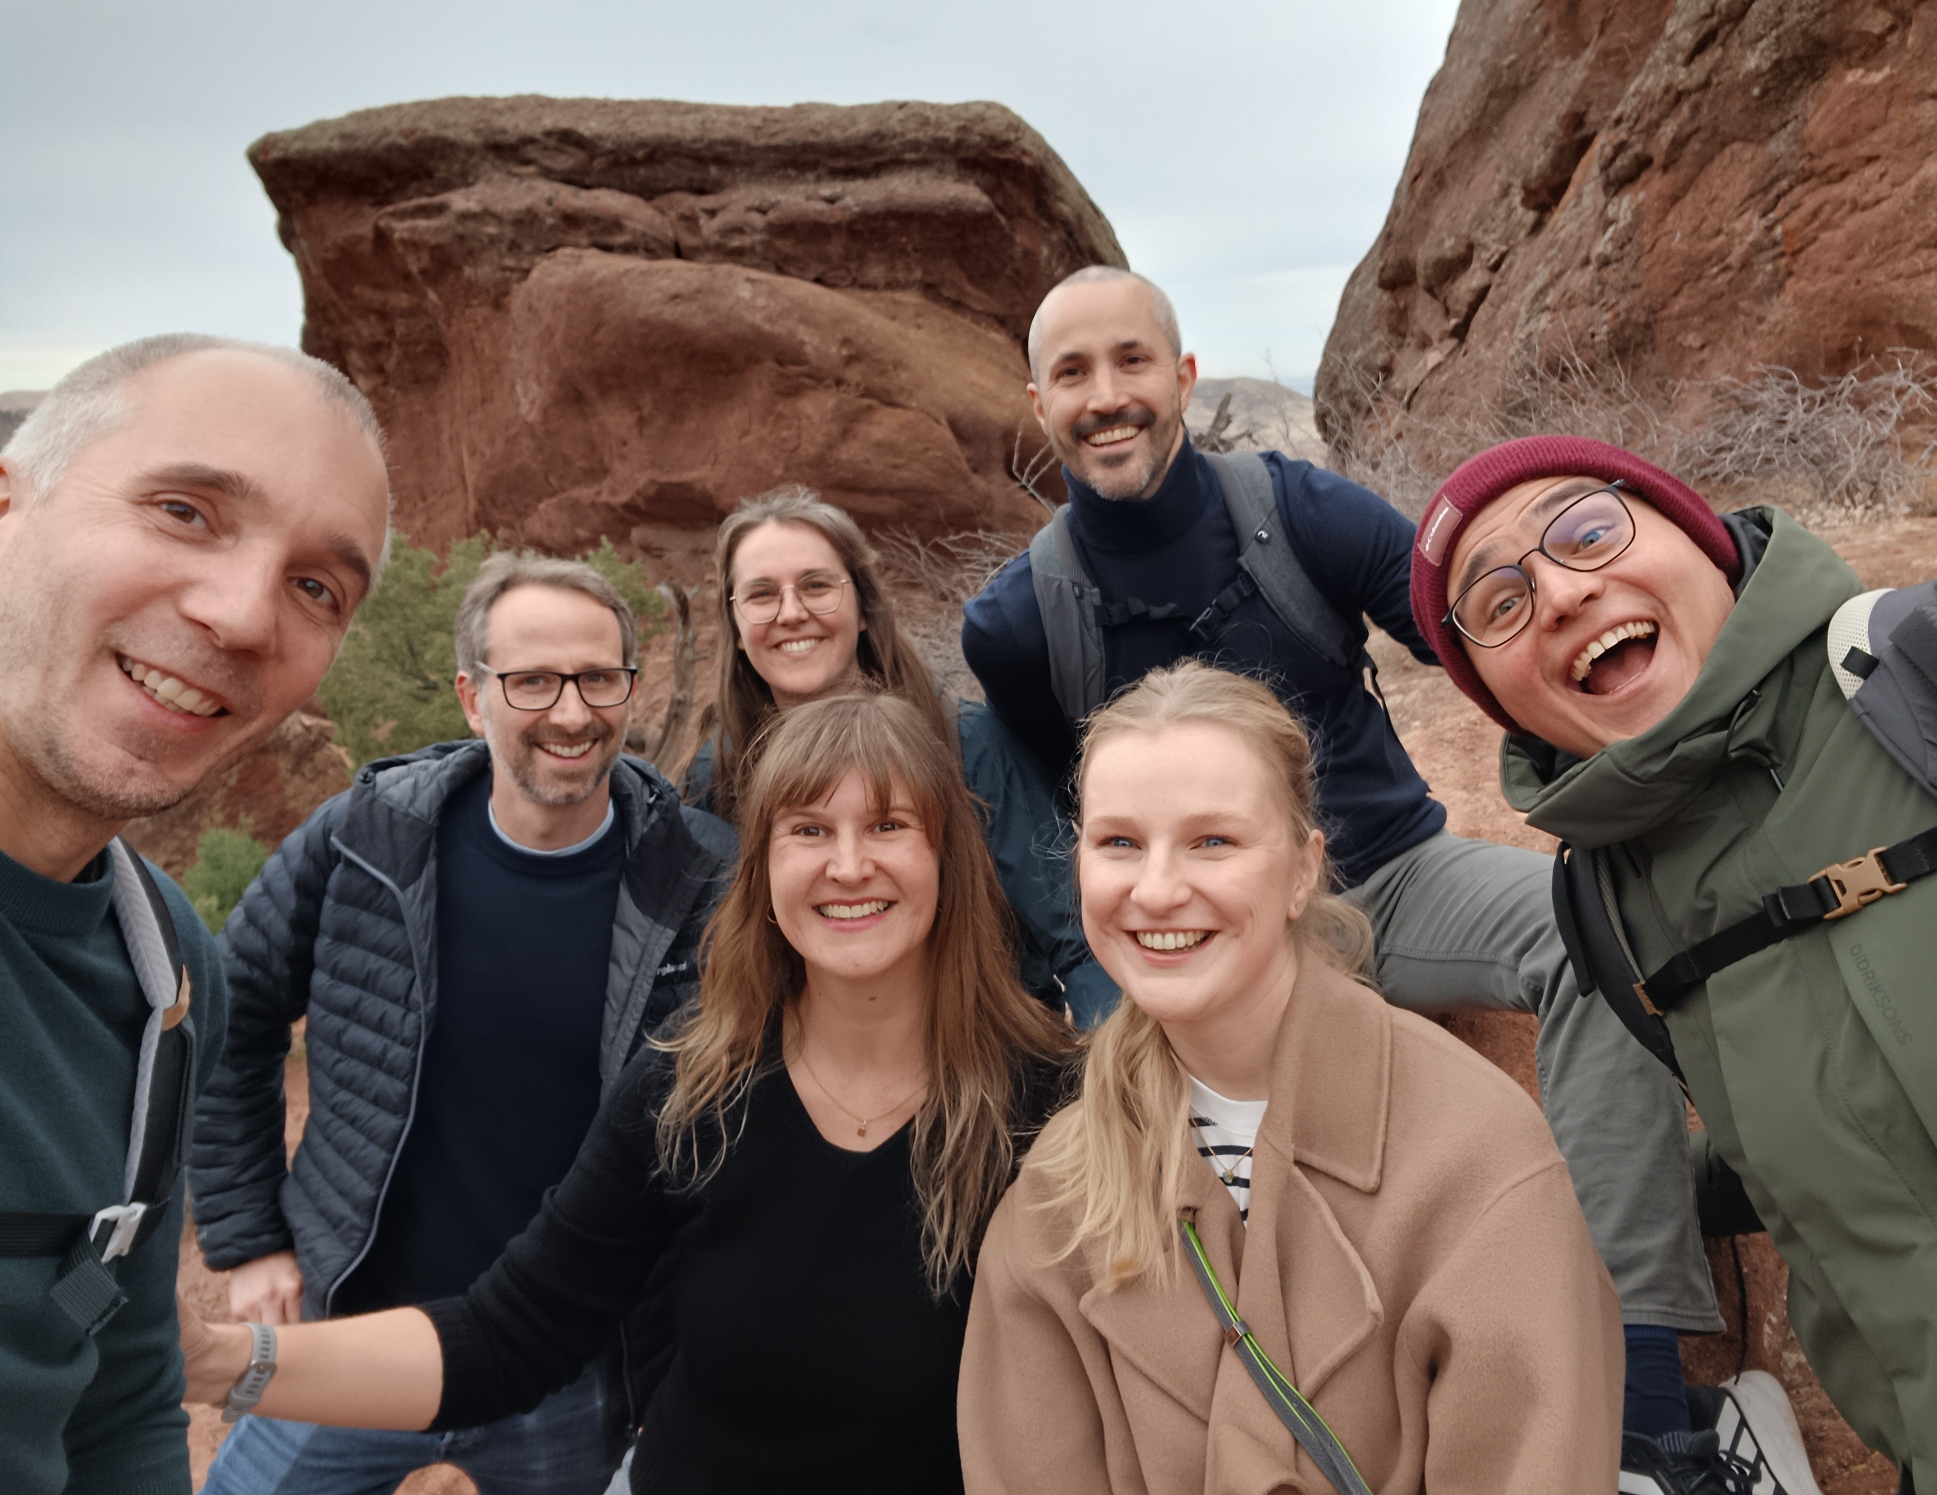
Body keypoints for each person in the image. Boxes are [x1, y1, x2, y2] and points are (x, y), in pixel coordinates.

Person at [960, 265, 1724, 1461]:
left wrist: (1629, 773)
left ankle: (1640, 1394)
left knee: (1590, 932)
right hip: (1208, 934)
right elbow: (1074, 816)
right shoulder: (1016, 624)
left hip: (1390, 880)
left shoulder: (1292, 512)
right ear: (1037, 403)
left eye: (1130, 362)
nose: (1105, 396)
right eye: (1072, 373)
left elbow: (1473, 638)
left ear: (1181, 377)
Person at [180, 689, 1076, 1495]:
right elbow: (508, 1334)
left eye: (888, 826)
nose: (847, 865)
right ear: (762, 870)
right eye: (808, 830)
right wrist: (217, 1361)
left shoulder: (1047, 1101)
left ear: (948, 858)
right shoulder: (690, 1084)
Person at [1410, 433, 1937, 1493]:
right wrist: (1542, 1210)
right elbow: (1806, 1149)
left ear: (1696, 534)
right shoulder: (1614, 911)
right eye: (1499, 603)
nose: (1559, 594)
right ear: (1498, 698)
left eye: (1587, 530)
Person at [958, 660, 1623, 1492]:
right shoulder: (1055, 1200)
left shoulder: (1476, 1158)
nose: (1156, 890)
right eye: (1119, 842)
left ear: (1303, 871)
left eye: (1213, 841)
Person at [186, 553, 733, 1495]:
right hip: (351, 1339)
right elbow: (228, 1019)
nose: (571, 712)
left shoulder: (700, 876)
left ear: (630, 689)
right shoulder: (366, 838)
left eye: (598, 678)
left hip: (570, 1368)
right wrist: (249, 1237)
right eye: (532, 681)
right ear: (473, 699)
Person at [0, 334, 392, 1495]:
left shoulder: (163, 974)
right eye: (184, 511)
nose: (242, 615)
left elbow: (118, 1398)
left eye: (316, 588)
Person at [683, 485, 1117, 1021]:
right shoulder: (718, 774)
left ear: (864, 608)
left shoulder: (965, 744)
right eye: (761, 594)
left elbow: (1080, 936)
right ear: (735, 628)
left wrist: (1111, 1064)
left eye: (817, 586)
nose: (791, 613)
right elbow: (704, 954)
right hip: (795, 1054)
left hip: (978, 1045)